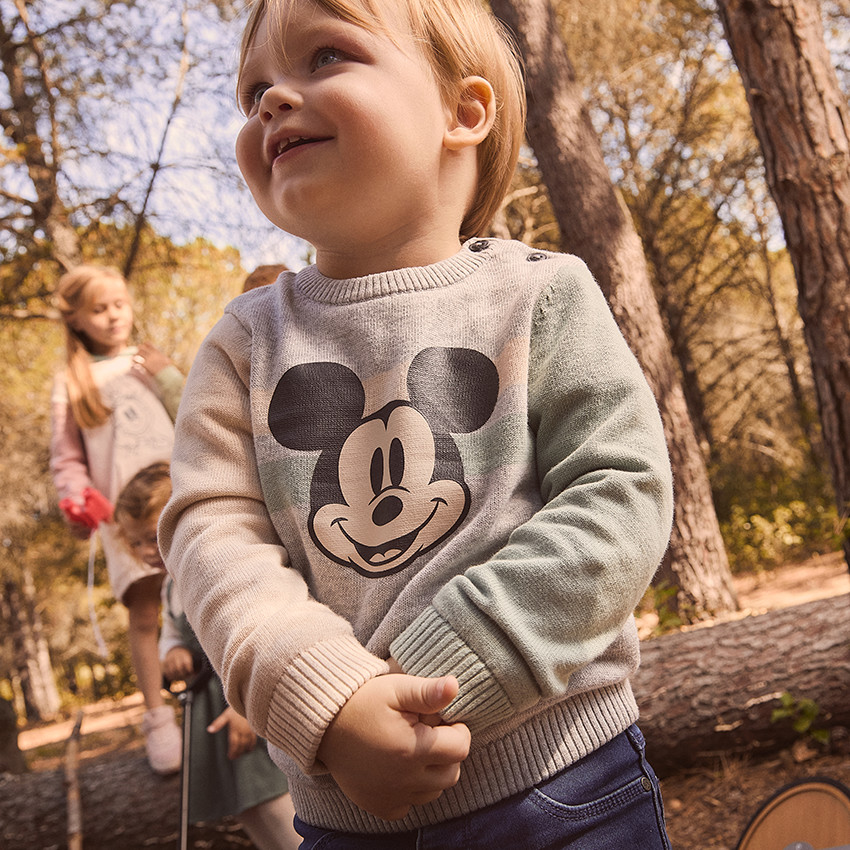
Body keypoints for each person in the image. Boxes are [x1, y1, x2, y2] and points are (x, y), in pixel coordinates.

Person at [159, 0, 676, 846]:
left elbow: (622, 492)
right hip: (344, 819)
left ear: (463, 112)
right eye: (252, 89)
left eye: (324, 56)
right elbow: (209, 539)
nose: (270, 102)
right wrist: (327, 699)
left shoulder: (541, 296)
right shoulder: (243, 345)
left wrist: (436, 680)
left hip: (570, 788)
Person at [114, 463, 301, 850]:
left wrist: (244, 707)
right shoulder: (169, 587)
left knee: (273, 798)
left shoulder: (213, 567)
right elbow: (169, 630)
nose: (147, 553)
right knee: (245, 805)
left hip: (243, 704)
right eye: (135, 544)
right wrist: (174, 650)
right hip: (208, 707)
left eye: (152, 537)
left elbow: (254, 634)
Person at [50, 264, 183, 776]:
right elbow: (66, 456)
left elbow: (189, 411)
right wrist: (76, 497)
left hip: (175, 496)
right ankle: (157, 715)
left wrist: (168, 372)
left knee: (199, 589)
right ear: (78, 321)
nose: (112, 317)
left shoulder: (147, 361)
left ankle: (228, 692)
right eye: (99, 309)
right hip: (120, 519)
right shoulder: (72, 381)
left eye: (119, 305)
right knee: (145, 611)